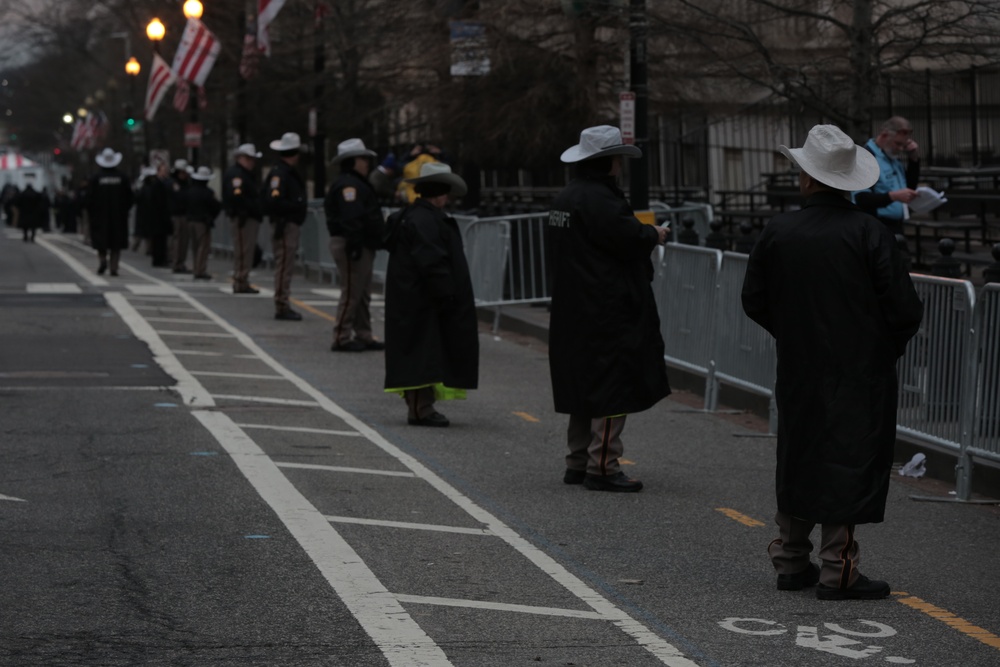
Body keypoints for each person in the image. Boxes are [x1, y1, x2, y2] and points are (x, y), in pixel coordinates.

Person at [741, 124, 924, 601]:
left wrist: (792, 331)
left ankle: (791, 559)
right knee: (850, 456)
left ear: (806, 177)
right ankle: (838, 568)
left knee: (799, 452)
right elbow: (904, 308)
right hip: (859, 366)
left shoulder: (779, 231)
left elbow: (754, 299)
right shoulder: (869, 232)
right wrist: (884, 346)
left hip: (801, 363)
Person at [547, 125, 671, 493]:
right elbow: (626, 237)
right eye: (617, 158)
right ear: (610, 162)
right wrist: (654, 235)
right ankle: (603, 464)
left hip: (573, 305)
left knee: (583, 382)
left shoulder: (565, 197)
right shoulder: (600, 199)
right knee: (612, 383)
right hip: (607, 306)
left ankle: (578, 460)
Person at [383, 162, 478, 427]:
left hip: (414, 299)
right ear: (439, 193)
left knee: (420, 353)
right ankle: (420, 408)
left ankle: (421, 406)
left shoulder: (412, 216)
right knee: (421, 355)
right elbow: (432, 262)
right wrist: (446, 294)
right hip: (423, 300)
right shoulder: (425, 220)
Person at [324, 138, 386, 352]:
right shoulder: (348, 185)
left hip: (360, 242)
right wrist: (355, 241)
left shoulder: (354, 182)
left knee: (362, 291)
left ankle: (363, 333)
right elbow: (351, 216)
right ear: (351, 161)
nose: (367, 163)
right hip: (352, 242)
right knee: (352, 291)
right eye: (363, 158)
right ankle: (341, 336)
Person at [263, 132, 308, 321]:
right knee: (284, 265)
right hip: (285, 224)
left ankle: (283, 301)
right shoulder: (281, 174)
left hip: (289, 223)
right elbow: (274, 201)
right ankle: (281, 304)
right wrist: (295, 207)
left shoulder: (284, 172)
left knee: (286, 264)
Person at [854, 116, 921, 238]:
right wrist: (893, 196)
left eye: (904, 145)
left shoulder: (892, 157)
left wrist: (913, 159)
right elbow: (861, 199)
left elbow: (909, 187)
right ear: (884, 136)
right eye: (898, 144)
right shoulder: (867, 158)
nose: (901, 149)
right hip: (875, 226)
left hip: (897, 225)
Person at [222, 143, 264, 294]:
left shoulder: (242, 174)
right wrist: (244, 210)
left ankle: (242, 279)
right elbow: (236, 196)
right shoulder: (237, 175)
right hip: (243, 217)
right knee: (243, 250)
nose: (251, 162)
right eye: (248, 158)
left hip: (248, 216)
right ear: (241, 158)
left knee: (247, 250)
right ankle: (240, 280)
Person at [86, 147, 134, 276]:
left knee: (101, 242)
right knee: (116, 243)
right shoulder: (122, 177)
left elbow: (89, 198)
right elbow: (130, 197)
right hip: (118, 216)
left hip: (99, 216)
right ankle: (114, 266)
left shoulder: (96, 178)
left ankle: (102, 260)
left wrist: (91, 212)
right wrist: (124, 210)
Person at [186, 166, 222, 280]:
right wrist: (211, 217)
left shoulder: (190, 191)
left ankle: (196, 268)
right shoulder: (208, 193)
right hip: (202, 222)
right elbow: (217, 206)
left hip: (190, 221)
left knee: (195, 247)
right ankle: (200, 270)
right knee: (203, 247)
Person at [168, 159, 193, 274]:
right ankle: (176, 262)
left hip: (185, 214)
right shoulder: (173, 183)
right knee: (177, 240)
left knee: (184, 241)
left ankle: (181, 262)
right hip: (177, 215)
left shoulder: (187, 184)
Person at [12, 174, 49, 243]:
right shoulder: (35, 194)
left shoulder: (23, 194)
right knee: (33, 226)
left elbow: (17, 202)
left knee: (25, 226)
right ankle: (32, 236)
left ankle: (26, 235)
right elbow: (40, 201)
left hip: (25, 212)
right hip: (33, 212)